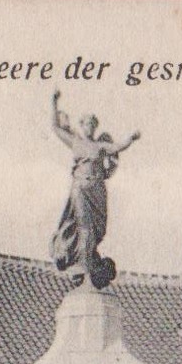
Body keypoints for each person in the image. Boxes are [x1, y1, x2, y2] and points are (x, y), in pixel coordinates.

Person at [49, 90, 140, 289]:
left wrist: (131, 139)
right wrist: (54, 103)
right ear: (81, 126)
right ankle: (83, 267)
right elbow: (55, 127)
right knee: (85, 227)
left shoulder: (100, 146)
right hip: (81, 188)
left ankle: (90, 261)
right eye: (87, 124)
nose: (90, 128)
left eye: (93, 125)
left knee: (98, 230)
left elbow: (117, 148)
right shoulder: (75, 142)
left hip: (97, 190)